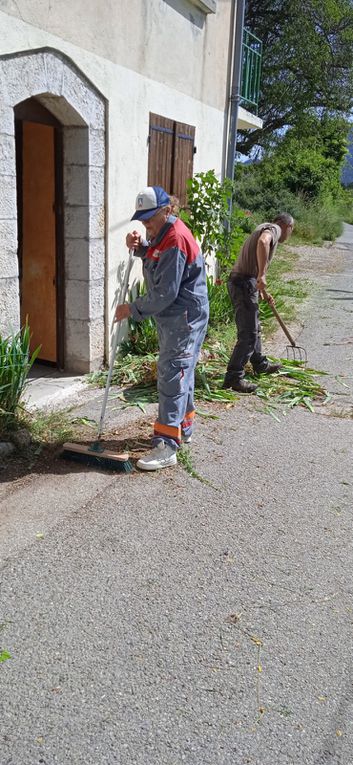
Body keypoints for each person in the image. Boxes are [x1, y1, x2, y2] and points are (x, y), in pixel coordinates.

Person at [115, 186, 209, 471]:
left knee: (172, 375)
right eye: (142, 220)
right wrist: (141, 247)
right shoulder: (164, 235)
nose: (145, 224)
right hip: (178, 317)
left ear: (167, 211)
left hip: (183, 318)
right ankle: (183, 428)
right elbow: (156, 259)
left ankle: (166, 445)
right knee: (183, 371)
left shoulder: (176, 239)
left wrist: (131, 308)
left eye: (149, 218)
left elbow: (165, 292)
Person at [223, 213, 294, 393]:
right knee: (248, 333)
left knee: (254, 327)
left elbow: (253, 261)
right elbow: (263, 242)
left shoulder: (264, 226)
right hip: (242, 283)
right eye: (291, 231)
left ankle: (259, 364)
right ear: (288, 226)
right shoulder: (274, 229)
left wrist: (262, 290)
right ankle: (234, 377)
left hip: (244, 282)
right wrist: (262, 274)